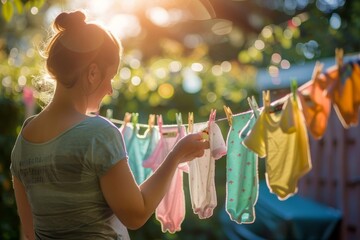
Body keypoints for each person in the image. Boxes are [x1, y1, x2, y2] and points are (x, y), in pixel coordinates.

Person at [10, 10, 209, 240]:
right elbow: (136, 214)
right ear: (93, 73)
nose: (110, 89)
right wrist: (176, 156)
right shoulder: (98, 134)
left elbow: (29, 232)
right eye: (110, 77)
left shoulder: (24, 137)